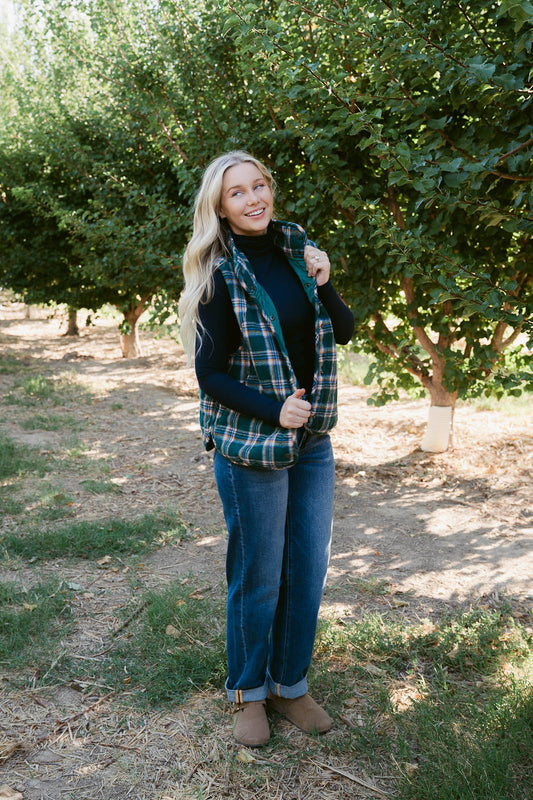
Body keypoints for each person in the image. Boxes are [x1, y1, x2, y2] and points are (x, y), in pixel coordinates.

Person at [179, 151, 354, 747]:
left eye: (260, 186)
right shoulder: (217, 275)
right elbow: (210, 376)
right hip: (251, 441)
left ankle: (290, 684)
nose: (254, 199)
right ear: (220, 209)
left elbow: (343, 329)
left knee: (307, 567)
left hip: (311, 439)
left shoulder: (295, 250)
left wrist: (324, 284)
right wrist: (273, 408)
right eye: (237, 193)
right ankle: (247, 691)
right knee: (258, 574)